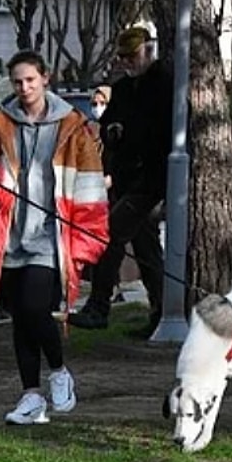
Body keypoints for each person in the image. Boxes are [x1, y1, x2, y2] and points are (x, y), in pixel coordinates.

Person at [0, 50, 109, 425]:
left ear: (45, 78)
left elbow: (91, 185)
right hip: (8, 236)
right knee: (20, 318)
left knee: (33, 307)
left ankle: (59, 371)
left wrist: (88, 236)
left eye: (30, 79)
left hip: (51, 237)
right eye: (17, 82)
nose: (24, 87)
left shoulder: (73, 126)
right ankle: (31, 397)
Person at [69, 25, 173, 337]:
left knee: (110, 235)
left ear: (149, 51)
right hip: (129, 179)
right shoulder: (124, 89)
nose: (127, 62)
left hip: (153, 181)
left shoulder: (165, 84)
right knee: (147, 249)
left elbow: (167, 136)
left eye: (133, 55)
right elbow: (109, 128)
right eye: (123, 57)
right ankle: (161, 312)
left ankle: (99, 307)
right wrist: (113, 135)